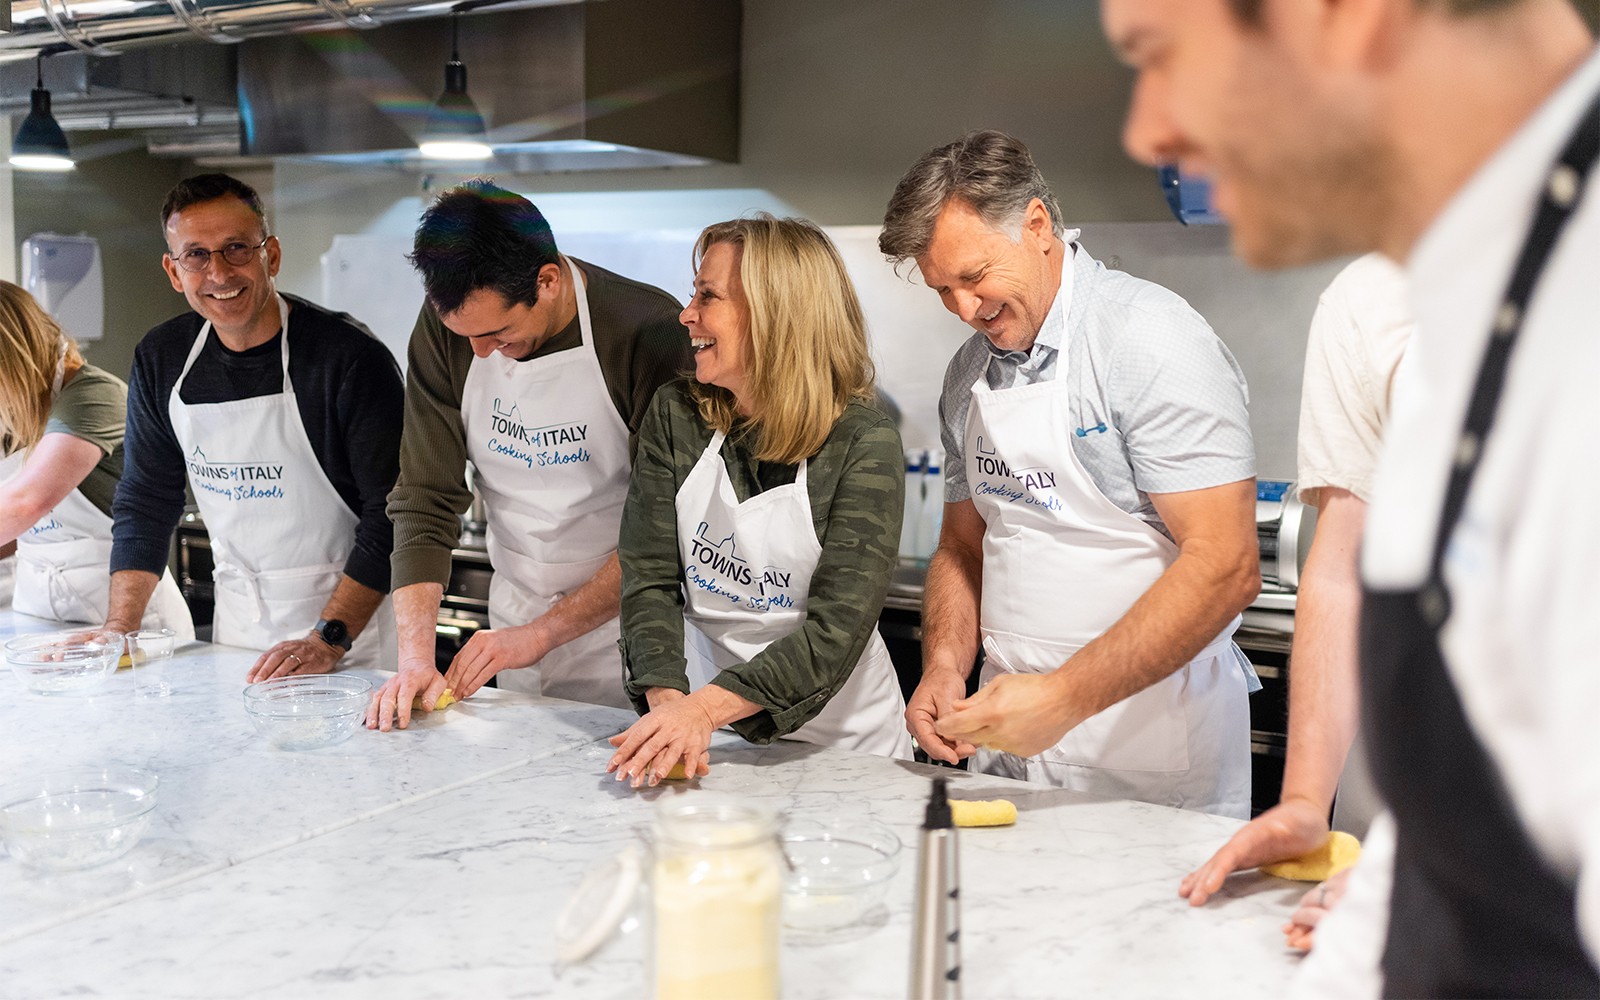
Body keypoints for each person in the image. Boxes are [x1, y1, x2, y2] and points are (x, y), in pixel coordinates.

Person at [1101, 0, 1598, 994]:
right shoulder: (1460, 289)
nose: (1146, 132)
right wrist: (1378, 902)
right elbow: (1486, 801)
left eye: (1160, 54)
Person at [880, 130, 1262, 819]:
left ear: (1036, 225)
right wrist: (943, 663)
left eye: (973, 278)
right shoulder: (969, 375)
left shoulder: (1149, 340)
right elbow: (964, 547)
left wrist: (1061, 699)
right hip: (1007, 743)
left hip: (1149, 750)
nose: (964, 310)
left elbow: (1226, 566)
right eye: (942, 290)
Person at [366, 180, 691, 730]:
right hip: (512, 619)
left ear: (548, 280)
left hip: (634, 628)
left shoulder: (645, 330)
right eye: (464, 335)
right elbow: (425, 496)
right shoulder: (453, 328)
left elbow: (664, 529)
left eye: (498, 332)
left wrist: (541, 634)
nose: (479, 352)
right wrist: (416, 656)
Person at [607, 215, 913, 787]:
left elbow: (833, 633)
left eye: (708, 296)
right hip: (711, 738)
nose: (685, 314)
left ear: (774, 314)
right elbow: (648, 575)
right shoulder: (678, 413)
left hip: (848, 748)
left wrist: (699, 711)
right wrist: (668, 705)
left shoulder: (861, 442)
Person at [108, 173, 403, 681]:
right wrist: (119, 628)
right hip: (238, 637)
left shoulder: (347, 359)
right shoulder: (162, 357)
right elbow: (146, 499)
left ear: (272, 255)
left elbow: (393, 516)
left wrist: (327, 639)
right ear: (174, 271)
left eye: (237, 248)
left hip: (351, 644)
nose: (218, 273)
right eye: (196, 255)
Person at [0, 282, 192, 636]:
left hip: (126, 623)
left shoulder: (93, 397)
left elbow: (27, 503)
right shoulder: (13, 412)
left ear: (12, 355)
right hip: (39, 618)